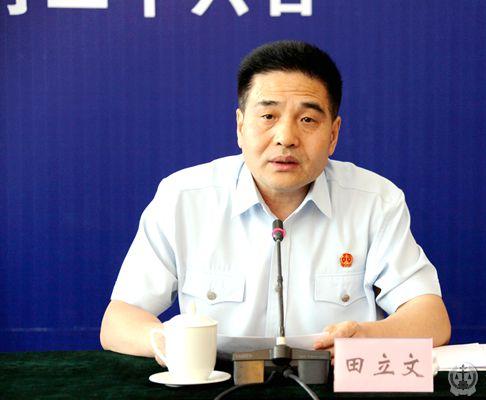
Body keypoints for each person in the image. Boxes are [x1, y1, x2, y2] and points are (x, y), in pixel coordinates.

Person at [100, 40, 451, 364]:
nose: (286, 137)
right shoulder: (183, 198)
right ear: (240, 127)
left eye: (307, 119)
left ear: (333, 135)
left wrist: (368, 337)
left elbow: (432, 318)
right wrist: (169, 343)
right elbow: (119, 320)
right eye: (268, 116)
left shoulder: (376, 201)